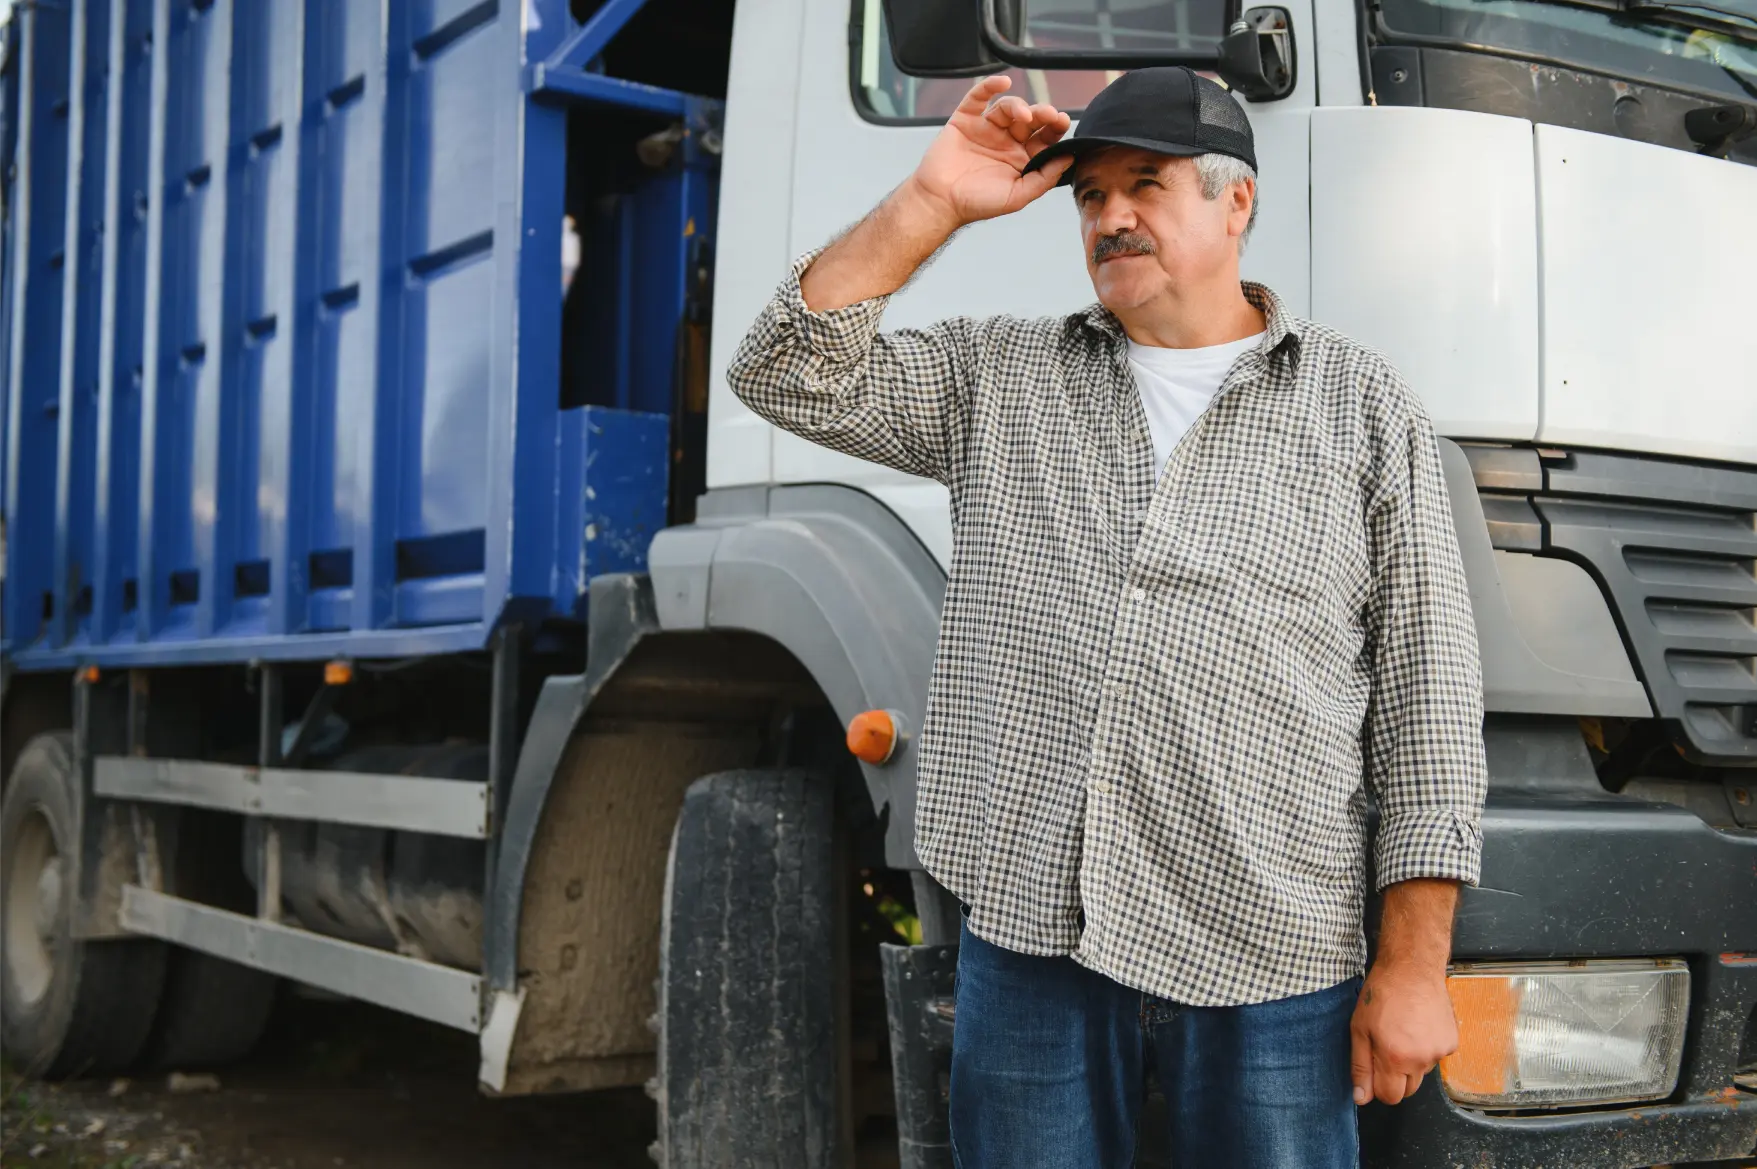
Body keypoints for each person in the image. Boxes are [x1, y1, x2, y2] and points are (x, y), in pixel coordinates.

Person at [727, 66, 1487, 1169]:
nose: (1110, 215)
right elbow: (787, 373)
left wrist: (1413, 965)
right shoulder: (1000, 375)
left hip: (1272, 947)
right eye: (1088, 194)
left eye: (1146, 184)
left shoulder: (1361, 407)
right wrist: (934, 199)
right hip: (1035, 937)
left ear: (1236, 204)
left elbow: (1427, 695)